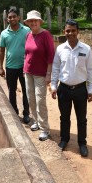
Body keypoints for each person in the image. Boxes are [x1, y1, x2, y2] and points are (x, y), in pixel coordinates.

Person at [51, 19, 92, 157]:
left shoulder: (86, 49)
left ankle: (82, 143)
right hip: (63, 89)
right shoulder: (60, 49)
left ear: (78, 32)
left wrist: (91, 89)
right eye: (67, 30)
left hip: (80, 89)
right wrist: (53, 86)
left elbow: (91, 71)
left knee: (82, 118)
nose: (70, 33)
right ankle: (64, 140)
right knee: (64, 117)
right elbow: (55, 68)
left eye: (73, 30)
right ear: (64, 32)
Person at [23, 10, 55, 141]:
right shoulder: (28, 35)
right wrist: (25, 67)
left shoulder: (46, 35)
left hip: (40, 74)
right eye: (30, 21)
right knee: (31, 98)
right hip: (28, 72)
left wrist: (49, 74)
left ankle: (44, 129)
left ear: (39, 21)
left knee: (40, 100)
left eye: (35, 20)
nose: (33, 22)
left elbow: (51, 55)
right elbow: (26, 53)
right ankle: (36, 121)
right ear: (28, 23)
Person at [0, 7, 30, 123]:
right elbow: (2, 51)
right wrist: (1, 67)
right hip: (10, 67)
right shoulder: (4, 34)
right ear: (7, 19)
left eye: (14, 17)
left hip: (24, 66)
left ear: (18, 18)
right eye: (10, 17)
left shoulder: (26, 31)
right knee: (11, 90)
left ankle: (26, 113)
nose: (12, 19)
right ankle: (14, 112)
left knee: (26, 91)